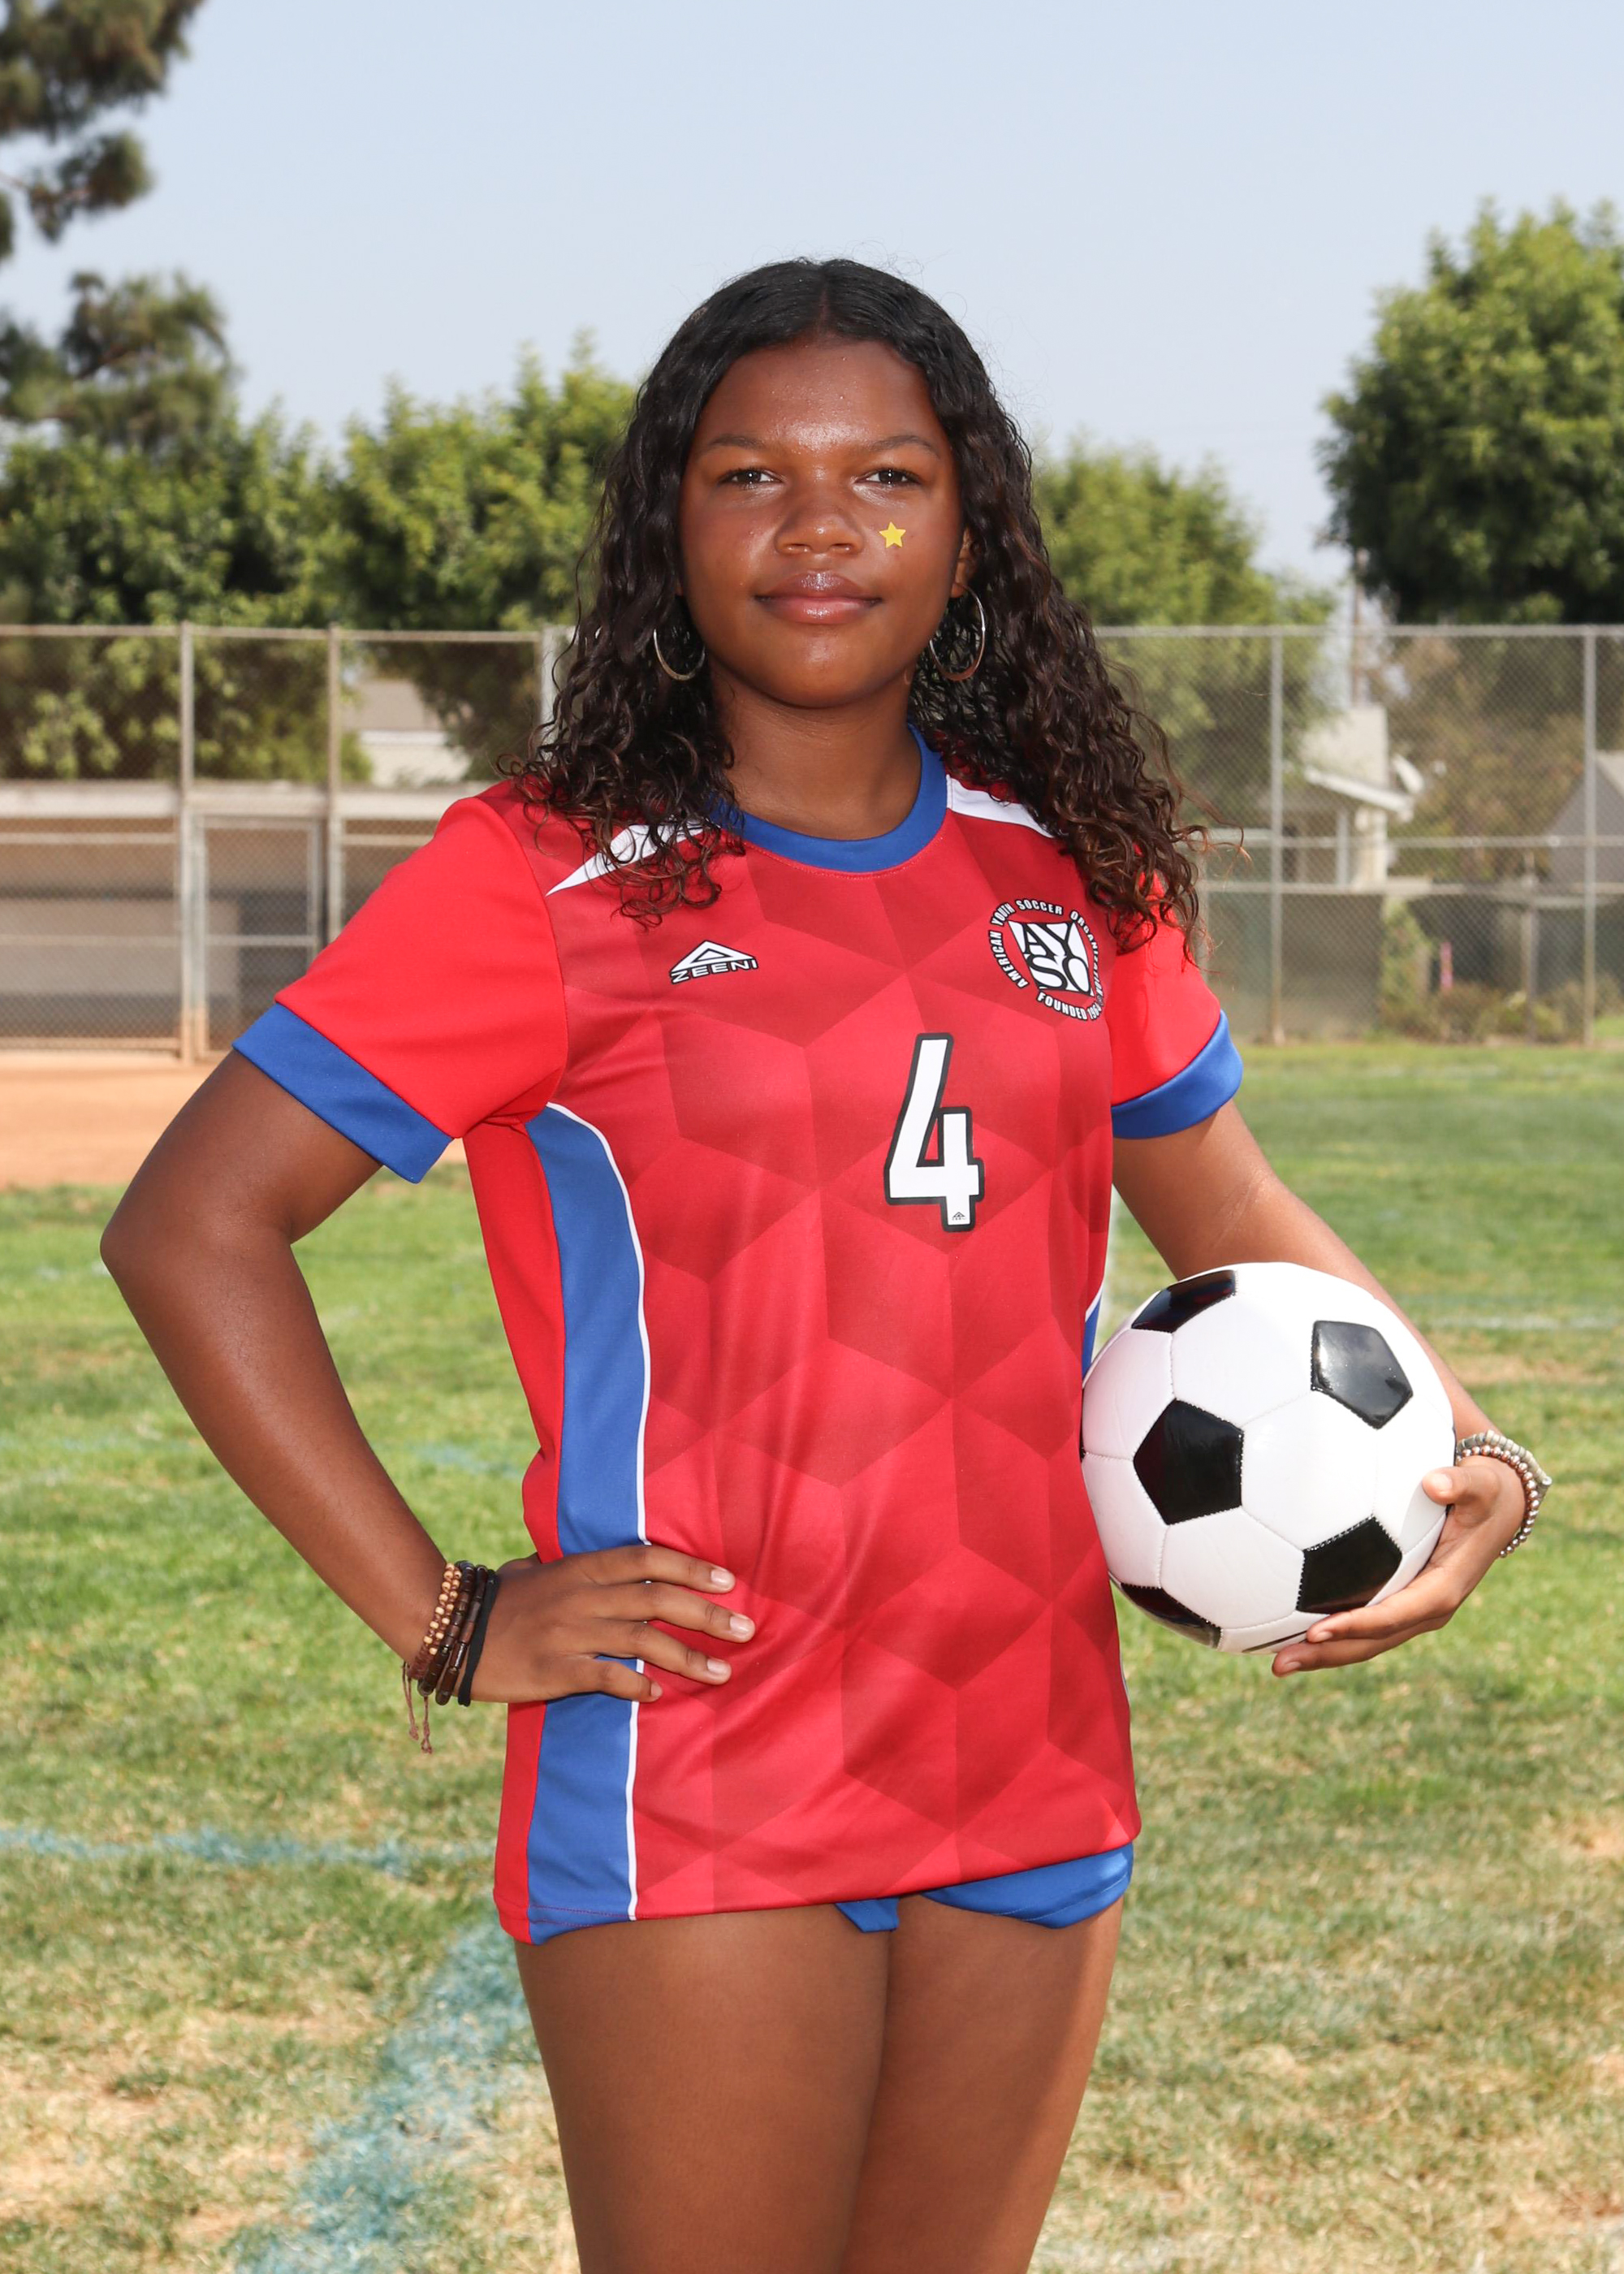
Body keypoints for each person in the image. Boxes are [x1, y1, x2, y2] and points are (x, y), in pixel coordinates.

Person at [102, 258, 1548, 2274]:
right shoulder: (545, 876)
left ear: (967, 527)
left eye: (883, 474)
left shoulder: (1073, 869)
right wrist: (445, 1616)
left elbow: (1227, 1208)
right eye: (747, 475)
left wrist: (1479, 1457)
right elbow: (193, 1225)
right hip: (703, 1757)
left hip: (1027, 1748)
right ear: (667, 524)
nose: (817, 525)